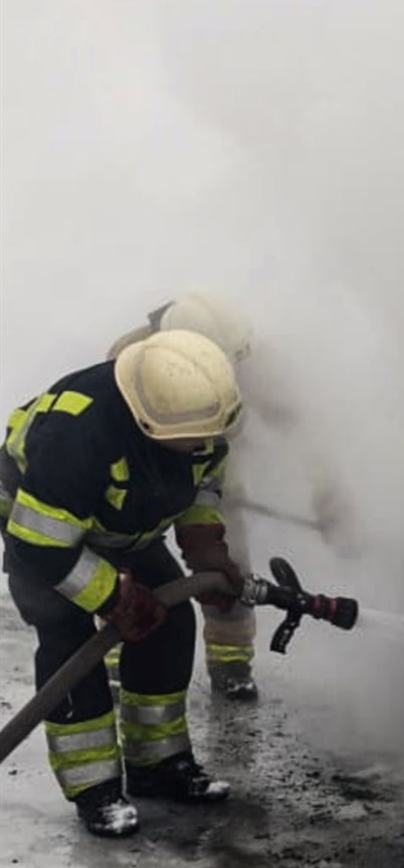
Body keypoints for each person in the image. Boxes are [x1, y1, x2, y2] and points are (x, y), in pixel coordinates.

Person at [0, 328, 245, 838]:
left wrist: (205, 548)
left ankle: (158, 766)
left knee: (172, 619)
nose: (204, 442)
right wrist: (114, 596)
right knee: (71, 643)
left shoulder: (194, 422)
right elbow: (40, 544)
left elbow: (201, 483)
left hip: (120, 527)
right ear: (149, 420)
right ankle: (95, 791)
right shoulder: (79, 432)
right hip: (40, 531)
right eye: (195, 435)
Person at [106, 290, 260, 701]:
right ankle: (116, 658)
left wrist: (328, 497)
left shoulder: (243, 356)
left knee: (226, 570)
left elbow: (294, 422)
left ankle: (231, 666)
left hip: (209, 479)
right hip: (140, 485)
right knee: (126, 570)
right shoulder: (130, 354)